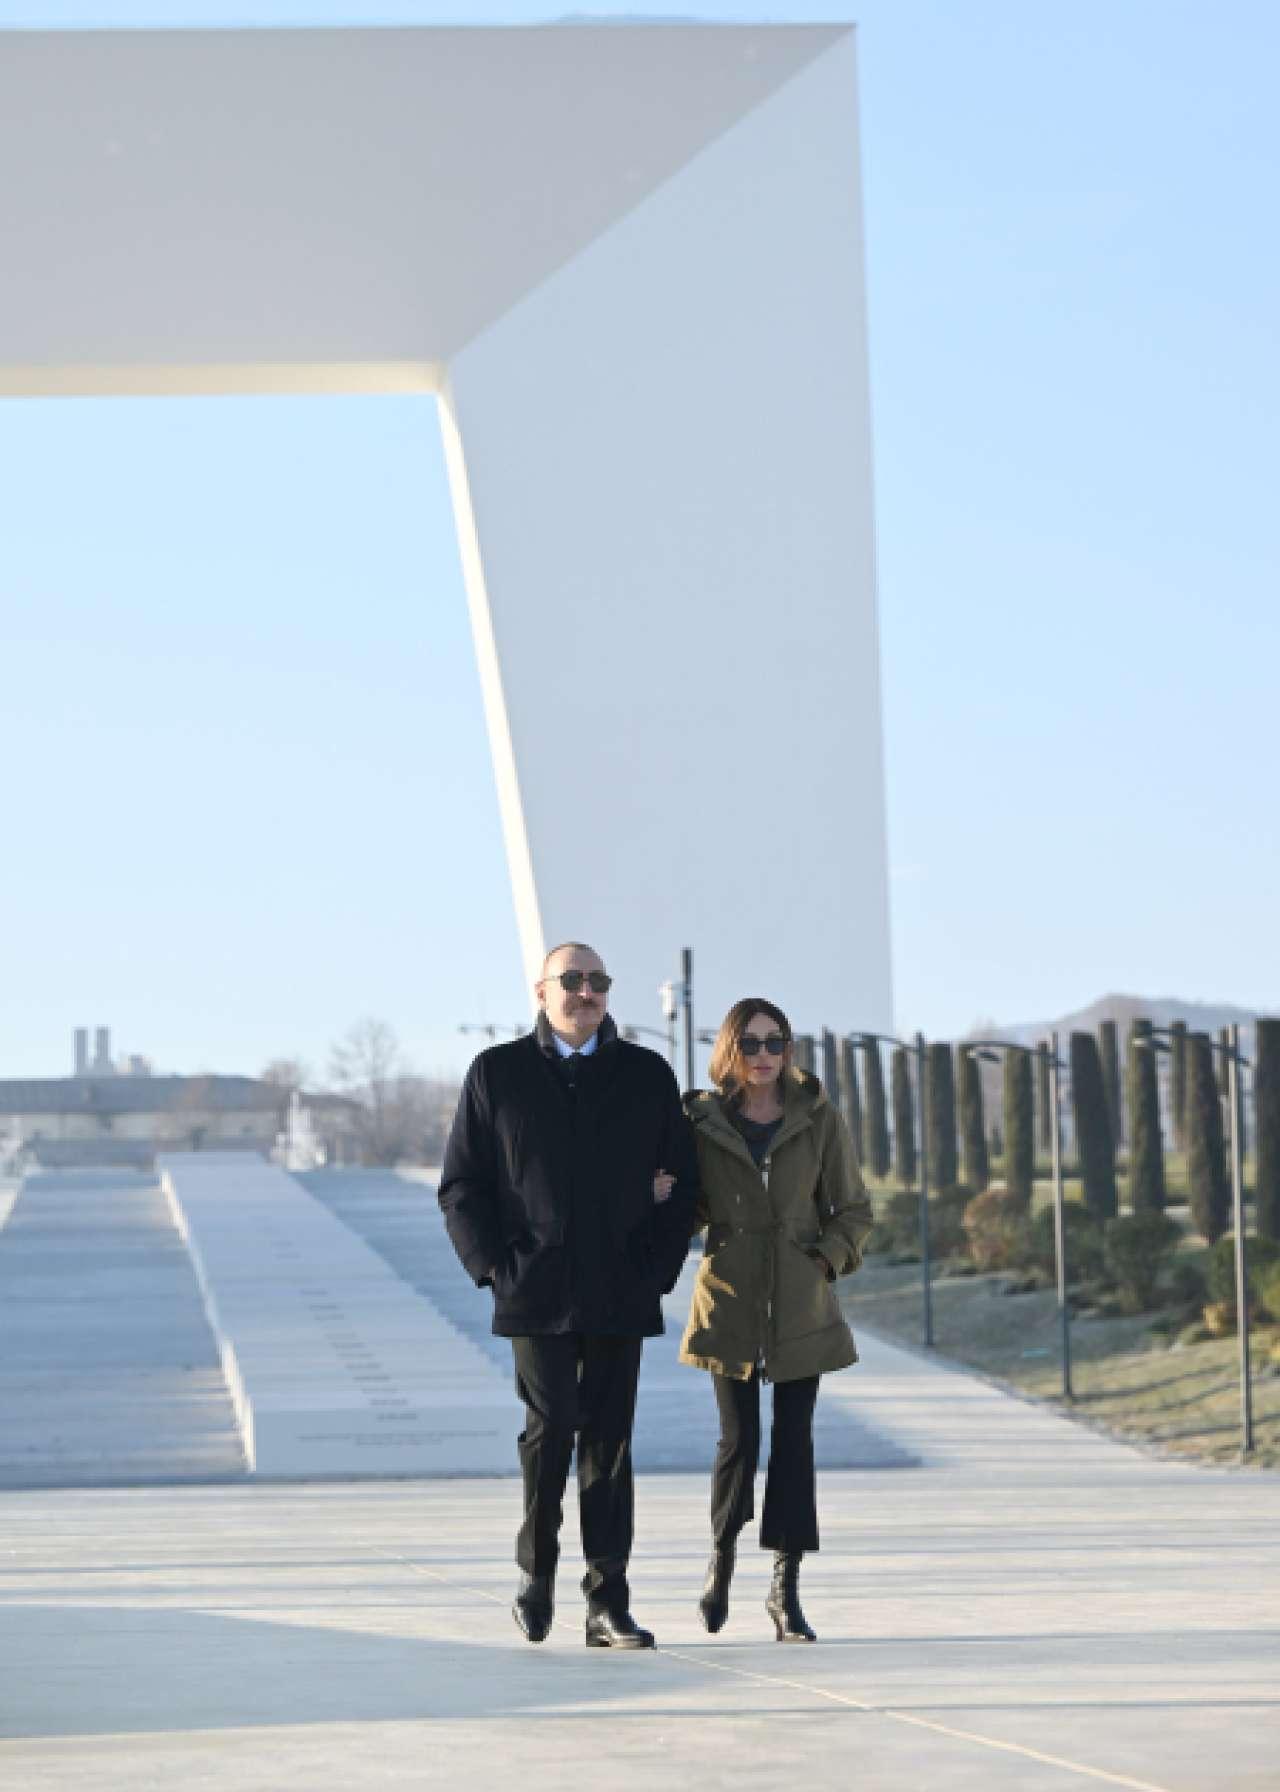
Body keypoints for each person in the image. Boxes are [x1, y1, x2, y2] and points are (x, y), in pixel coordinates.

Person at [438, 941, 698, 1649]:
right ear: (541, 991)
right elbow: (462, 1185)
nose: (587, 992)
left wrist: (656, 1270)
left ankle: (607, 1602)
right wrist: (494, 1269)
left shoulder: (645, 1074)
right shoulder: (498, 1073)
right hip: (535, 1289)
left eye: (598, 981)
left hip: (621, 1288)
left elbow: (683, 1185)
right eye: (573, 980)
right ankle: (537, 1571)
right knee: (550, 1431)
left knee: (609, 1443)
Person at [678, 997, 872, 1642]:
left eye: (776, 1042)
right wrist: (662, 1200)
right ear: (730, 1048)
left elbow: (853, 1209)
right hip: (729, 1300)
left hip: (800, 1305)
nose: (764, 1056)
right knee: (738, 1440)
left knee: (794, 1442)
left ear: (788, 1050)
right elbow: (689, 1207)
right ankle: (722, 1558)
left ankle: (785, 1589)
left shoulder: (818, 1118)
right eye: (752, 1043)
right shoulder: (701, 1121)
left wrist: (823, 1261)